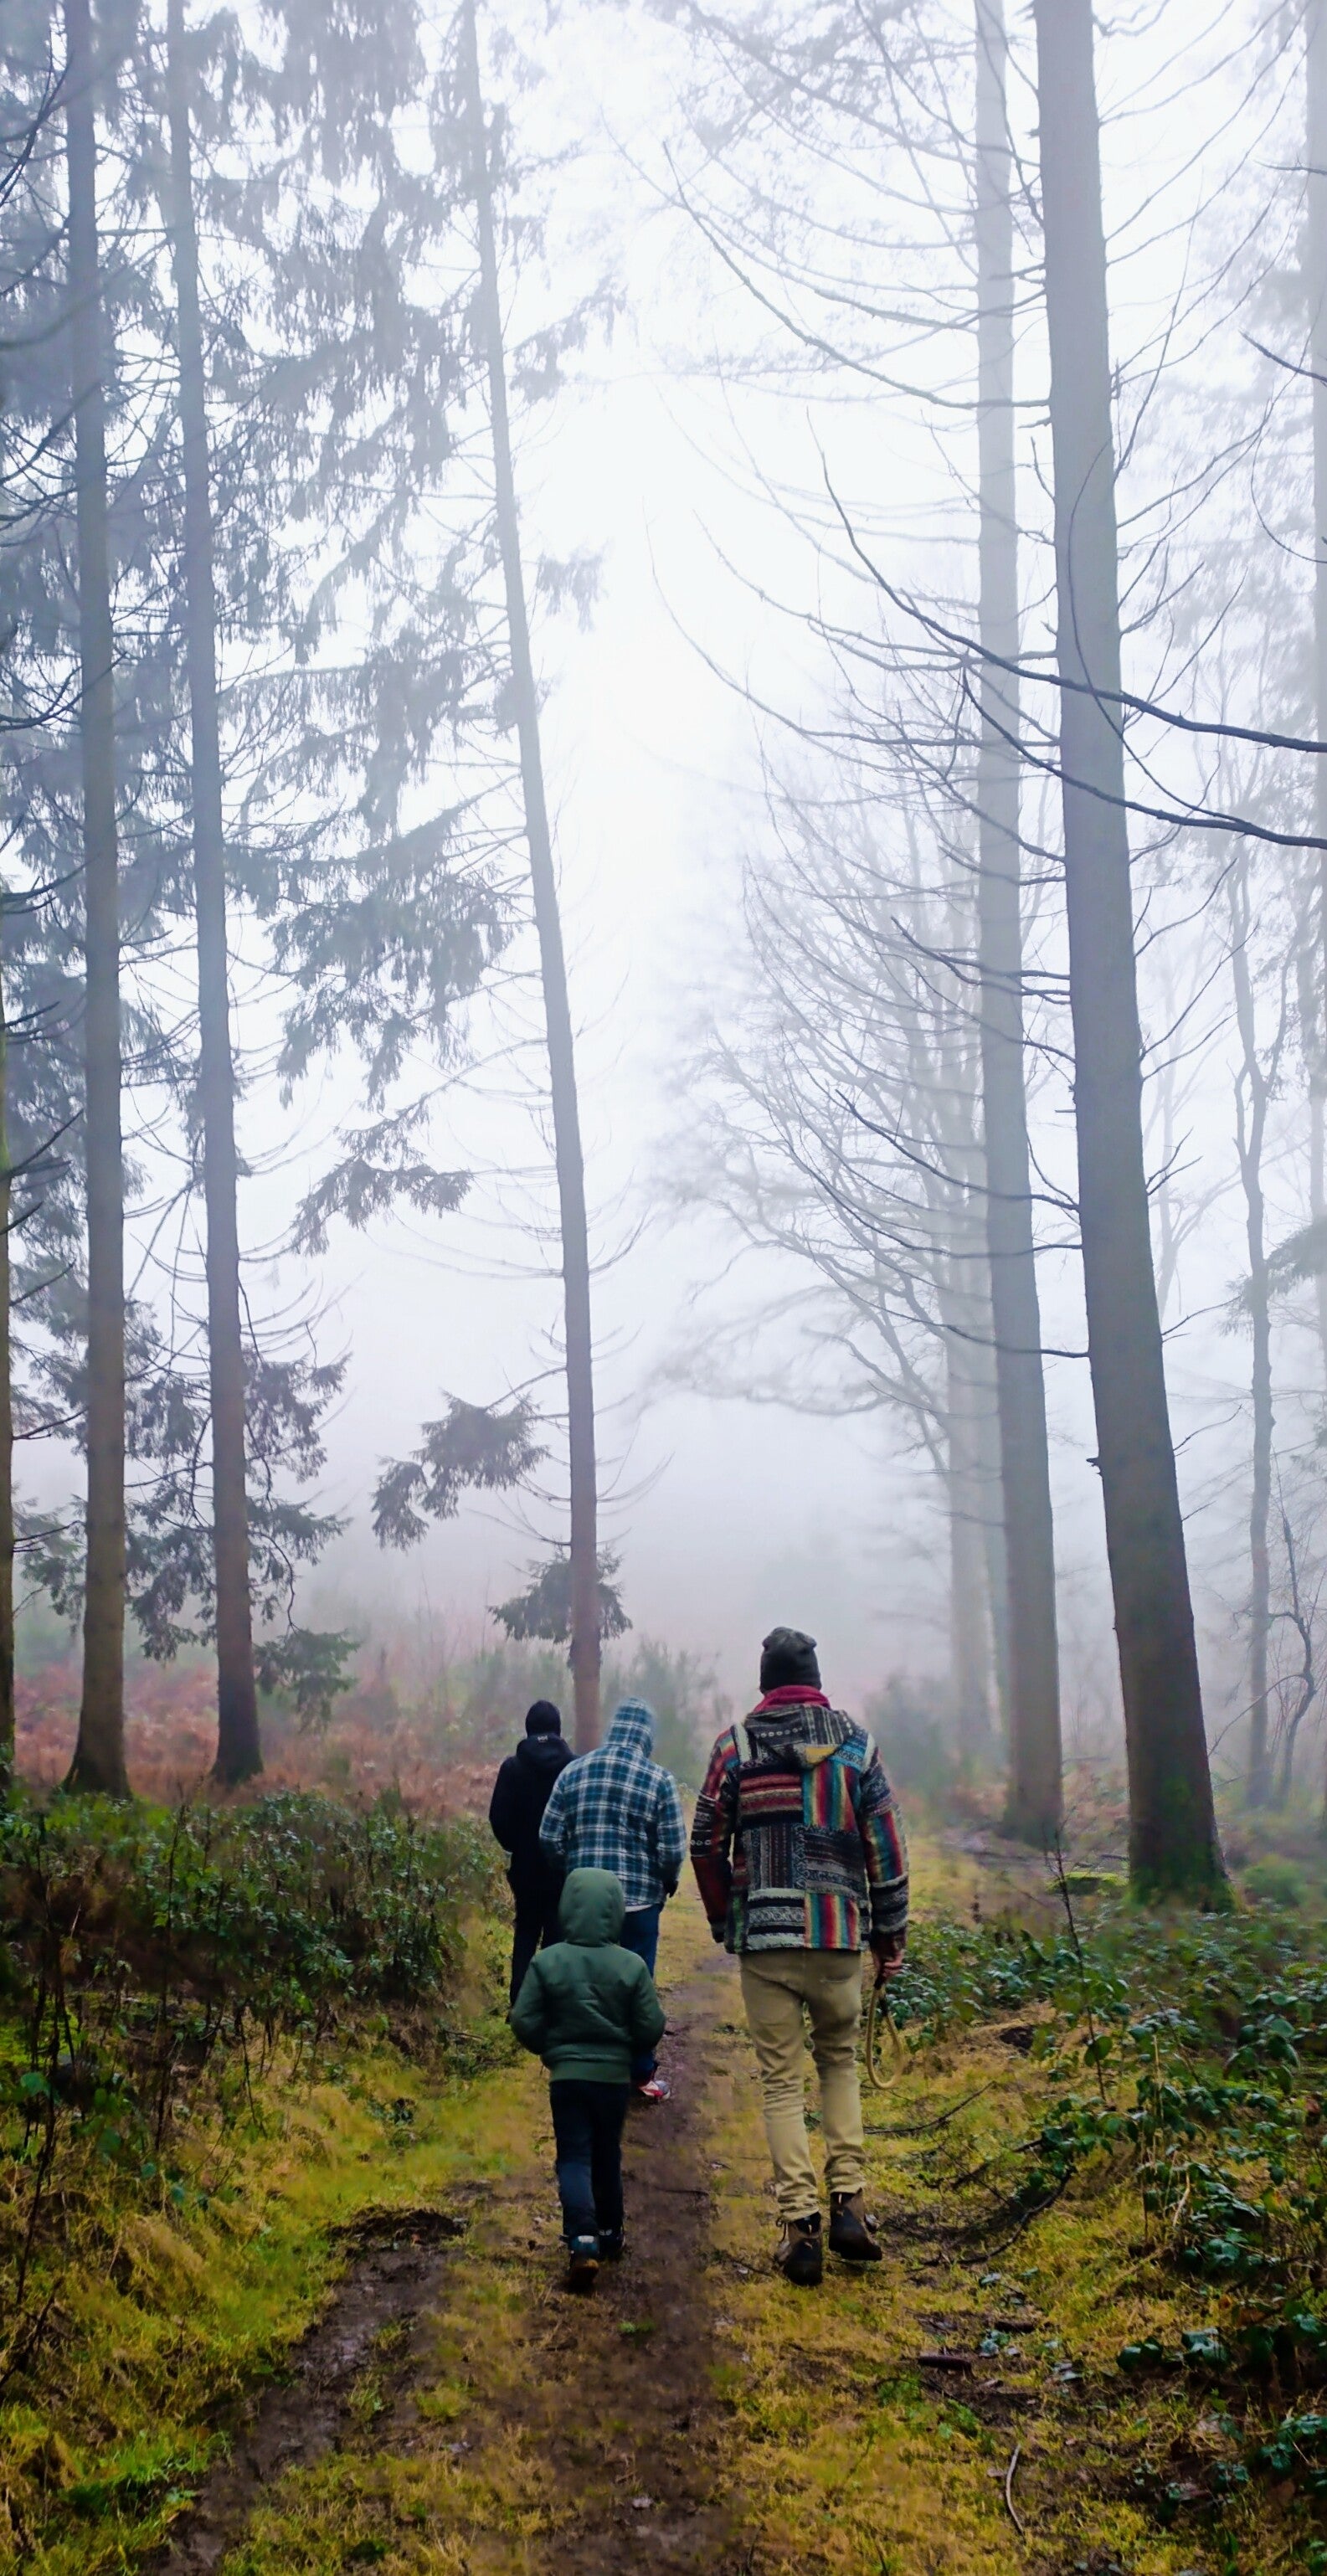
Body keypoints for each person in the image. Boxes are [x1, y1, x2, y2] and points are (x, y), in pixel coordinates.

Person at [690, 1625, 908, 2289]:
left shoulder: (734, 1747)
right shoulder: (858, 1747)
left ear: (765, 1682)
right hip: (837, 1933)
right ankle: (850, 2205)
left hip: (767, 1939)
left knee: (781, 2082)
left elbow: (704, 1841)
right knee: (838, 2064)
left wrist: (725, 1916)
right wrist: (889, 1935)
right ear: (815, 1680)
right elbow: (885, 1846)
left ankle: (800, 2228)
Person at [510, 1866, 666, 2291]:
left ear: (567, 1908)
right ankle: (611, 2232)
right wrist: (627, 2051)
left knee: (574, 2156)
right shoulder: (631, 1966)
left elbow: (523, 2020)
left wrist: (551, 2049)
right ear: (616, 1911)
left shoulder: (547, 1961)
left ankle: (581, 2238)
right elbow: (651, 2026)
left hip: (567, 2079)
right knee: (607, 2152)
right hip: (613, 2082)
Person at [538, 1698, 687, 2103]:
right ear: (647, 1737)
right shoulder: (658, 1780)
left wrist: (572, 1872)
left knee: (581, 1986)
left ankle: (577, 2068)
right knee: (636, 1989)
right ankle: (639, 2075)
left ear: (612, 1729)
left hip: (583, 1905)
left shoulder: (574, 1771)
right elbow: (673, 1849)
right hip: (638, 1905)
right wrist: (665, 1881)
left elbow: (548, 1836)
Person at [488, 1699, 573, 2004]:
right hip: (563, 1870)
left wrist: (517, 1846)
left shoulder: (512, 1768)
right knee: (557, 1936)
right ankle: (550, 2006)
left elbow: (498, 1818)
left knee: (525, 1933)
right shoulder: (573, 1767)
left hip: (525, 1868)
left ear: (528, 1729)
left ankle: (520, 2005)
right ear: (558, 1729)